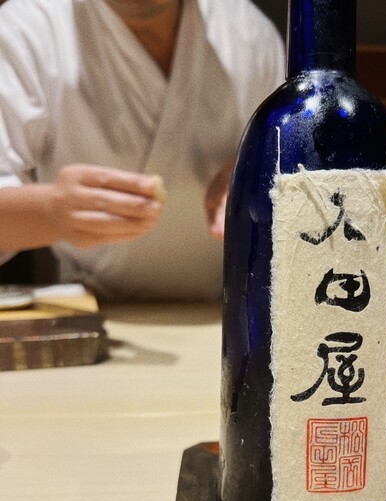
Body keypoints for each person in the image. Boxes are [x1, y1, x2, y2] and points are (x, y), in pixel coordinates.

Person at [0, 0, 285, 299]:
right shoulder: (29, 28)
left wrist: (256, 171)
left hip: (228, 307)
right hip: (93, 305)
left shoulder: (249, 33)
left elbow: (295, 176)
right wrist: (52, 211)